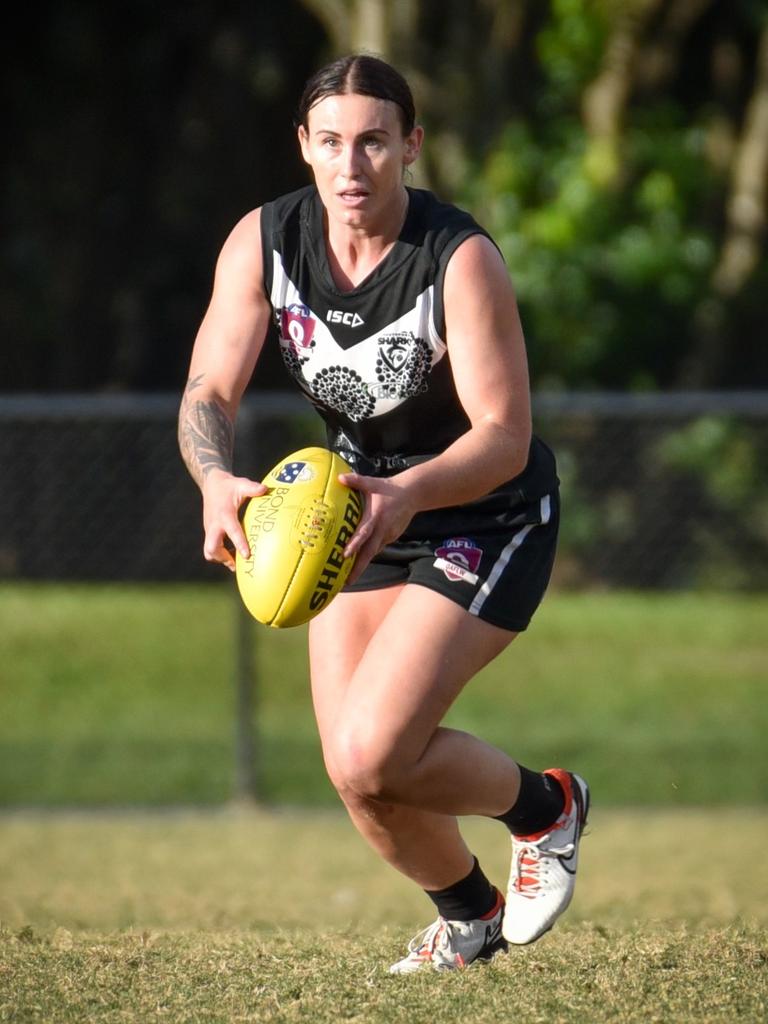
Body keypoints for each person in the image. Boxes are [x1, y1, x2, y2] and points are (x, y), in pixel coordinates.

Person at [178, 53, 589, 974]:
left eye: (372, 141)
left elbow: (505, 436)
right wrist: (213, 478)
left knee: (374, 751)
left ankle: (547, 808)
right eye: (330, 143)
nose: (351, 166)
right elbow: (208, 389)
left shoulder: (458, 258)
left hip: (486, 514)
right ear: (304, 148)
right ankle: (471, 914)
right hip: (359, 512)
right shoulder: (266, 243)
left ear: (411, 144)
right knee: (358, 776)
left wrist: (408, 494)